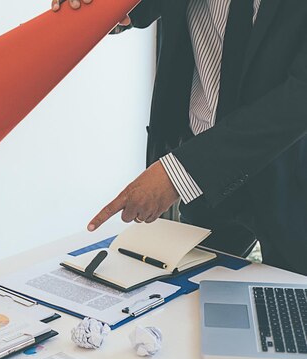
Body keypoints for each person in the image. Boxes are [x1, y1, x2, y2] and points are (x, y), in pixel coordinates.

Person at [53, 0, 307, 274]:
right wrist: (99, 11)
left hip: (290, 174)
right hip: (200, 163)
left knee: (291, 307)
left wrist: (180, 173)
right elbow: (142, 6)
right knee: (190, 299)